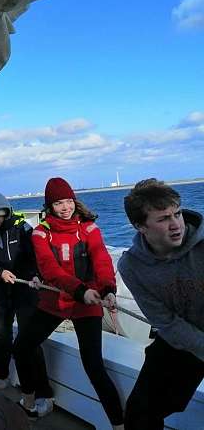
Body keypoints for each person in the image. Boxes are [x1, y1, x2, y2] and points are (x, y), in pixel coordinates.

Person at [13, 177, 123, 427]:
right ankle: (30, 398)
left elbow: (102, 259)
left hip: (88, 301)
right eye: (58, 203)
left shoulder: (89, 229)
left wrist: (108, 289)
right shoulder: (41, 233)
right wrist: (79, 290)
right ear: (49, 206)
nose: (65, 207)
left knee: (94, 366)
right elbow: (49, 269)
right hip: (56, 300)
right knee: (21, 347)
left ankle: (119, 424)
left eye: (68, 201)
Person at [118, 179, 204, 430]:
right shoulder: (132, 266)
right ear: (139, 226)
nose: (176, 224)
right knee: (139, 414)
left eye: (176, 213)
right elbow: (164, 321)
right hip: (181, 340)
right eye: (163, 218)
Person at [0, 189, 54, 413]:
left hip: (26, 288)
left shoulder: (22, 228)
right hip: (2, 287)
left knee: (29, 341)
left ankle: (43, 394)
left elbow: (35, 255)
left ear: (6, 212)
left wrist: (35, 275)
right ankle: (0, 376)